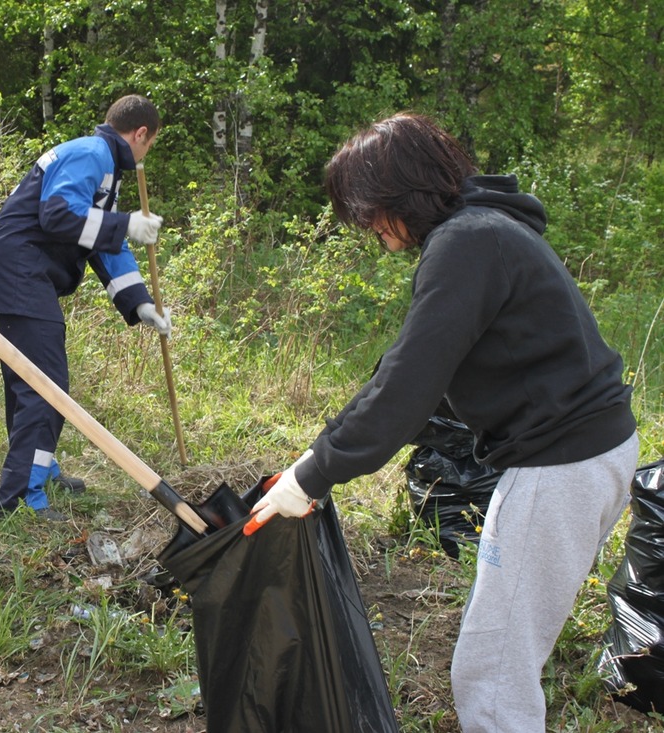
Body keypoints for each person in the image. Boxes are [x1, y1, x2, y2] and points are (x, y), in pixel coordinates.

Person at [246, 113, 638, 733]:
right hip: (587, 453)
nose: (371, 228)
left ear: (399, 194)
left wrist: (312, 476)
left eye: (371, 211)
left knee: (492, 672)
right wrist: (319, 453)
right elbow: (401, 372)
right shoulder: (487, 231)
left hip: (561, 465)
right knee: (503, 657)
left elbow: (407, 388)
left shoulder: (467, 243)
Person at [0, 94, 169, 521]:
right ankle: (21, 499)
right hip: (19, 269)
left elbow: (103, 243)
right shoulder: (90, 153)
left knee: (31, 379)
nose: (145, 154)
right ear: (141, 134)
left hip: (19, 268)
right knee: (46, 384)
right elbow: (59, 215)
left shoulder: (103, 165)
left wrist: (140, 304)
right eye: (149, 145)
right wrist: (125, 223)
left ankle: (35, 470)